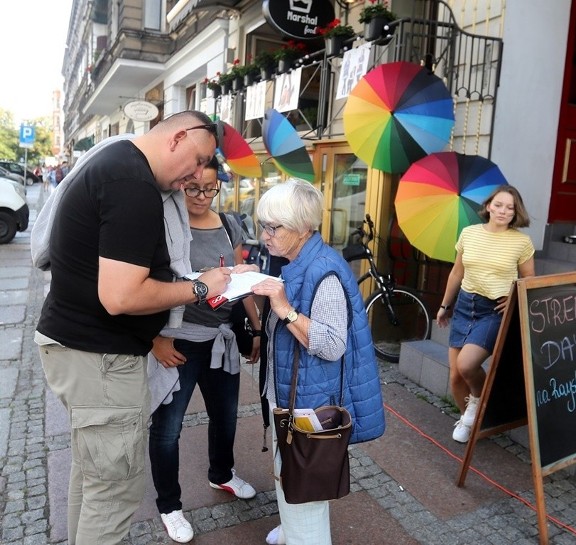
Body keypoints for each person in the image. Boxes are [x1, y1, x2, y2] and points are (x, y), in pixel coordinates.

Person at [34, 111, 232, 545]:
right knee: (113, 491)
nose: (197, 176)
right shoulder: (132, 183)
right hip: (99, 359)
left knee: (94, 479)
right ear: (178, 137)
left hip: (81, 351)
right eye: (198, 161)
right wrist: (197, 288)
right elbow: (121, 297)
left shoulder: (118, 167)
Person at [250, 179, 385, 545]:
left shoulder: (322, 271)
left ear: (303, 227)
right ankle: (292, 530)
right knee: (289, 476)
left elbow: (331, 344)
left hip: (309, 404)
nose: (265, 235)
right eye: (263, 224)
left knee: (304, 488)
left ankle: (302, 535)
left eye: (273, 227)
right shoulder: (297, 260)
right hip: (294, 396)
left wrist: (285, 310)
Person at [148, 158, 261, 543]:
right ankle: (169, 505)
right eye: (193, 187)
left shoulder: (229, 225)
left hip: (222, 341)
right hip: (177, 342)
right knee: (168, 429)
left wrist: (256, 327)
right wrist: (154, 339)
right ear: (180, 186)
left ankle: (222, 474)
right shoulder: (165, 226)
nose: (201, 196)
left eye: (209, 188)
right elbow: (143, 286)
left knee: (226, 417)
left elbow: (238, 278)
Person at [436, 184, 535, 443]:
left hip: (493, 311)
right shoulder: (469, 234)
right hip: (464, 306)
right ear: (489, 205)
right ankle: (469, 420)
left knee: (467, 364)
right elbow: (457, 272)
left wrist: (514, 297)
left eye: (510, 208)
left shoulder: (521, 242)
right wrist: (445, 306)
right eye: (499, 205)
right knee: (456, 376)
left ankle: (477, 404)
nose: (503, 211)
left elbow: (529, 280)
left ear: (516, 213)